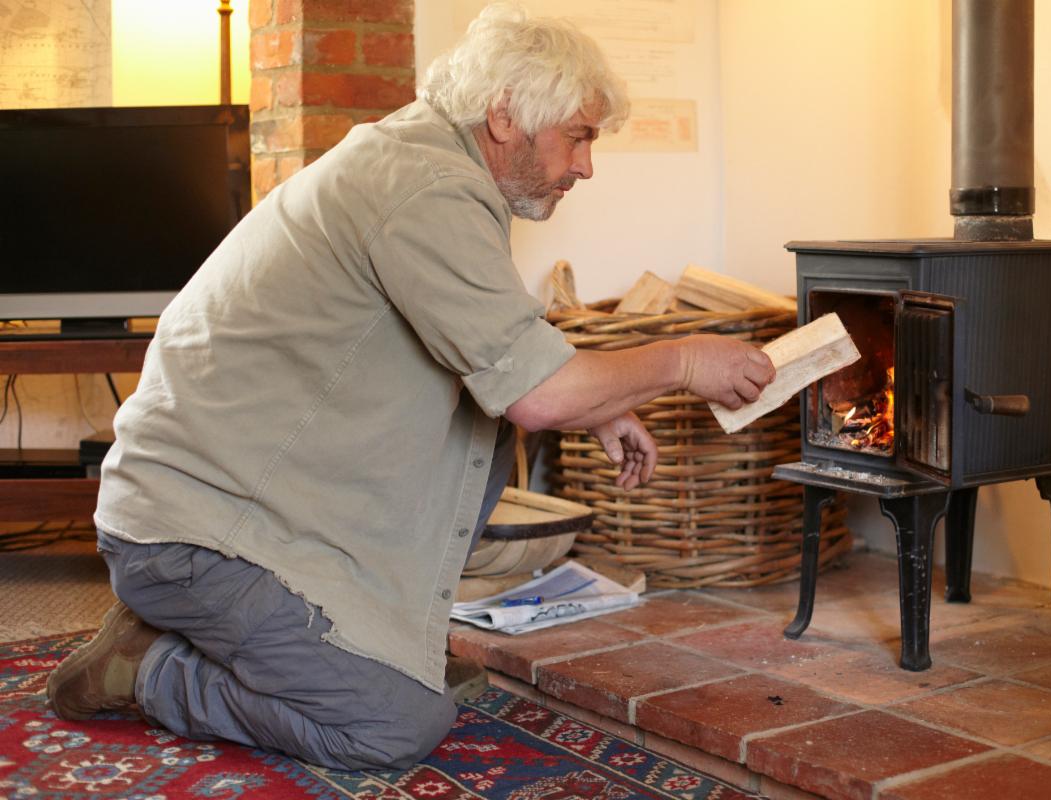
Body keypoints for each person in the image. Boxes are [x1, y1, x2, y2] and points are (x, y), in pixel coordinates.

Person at [46, 3, 775, 772]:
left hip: (235, 513)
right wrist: (685, 361)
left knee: (479, 442)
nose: (587, 165)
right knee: (392, 725)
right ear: (504, 116)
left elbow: (507, 355)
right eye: (580, 135)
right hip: (193, 537)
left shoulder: (427, 166)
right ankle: (151, 668)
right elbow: (538, 393)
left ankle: (241, 637)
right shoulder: (427, 188)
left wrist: (601, 404)